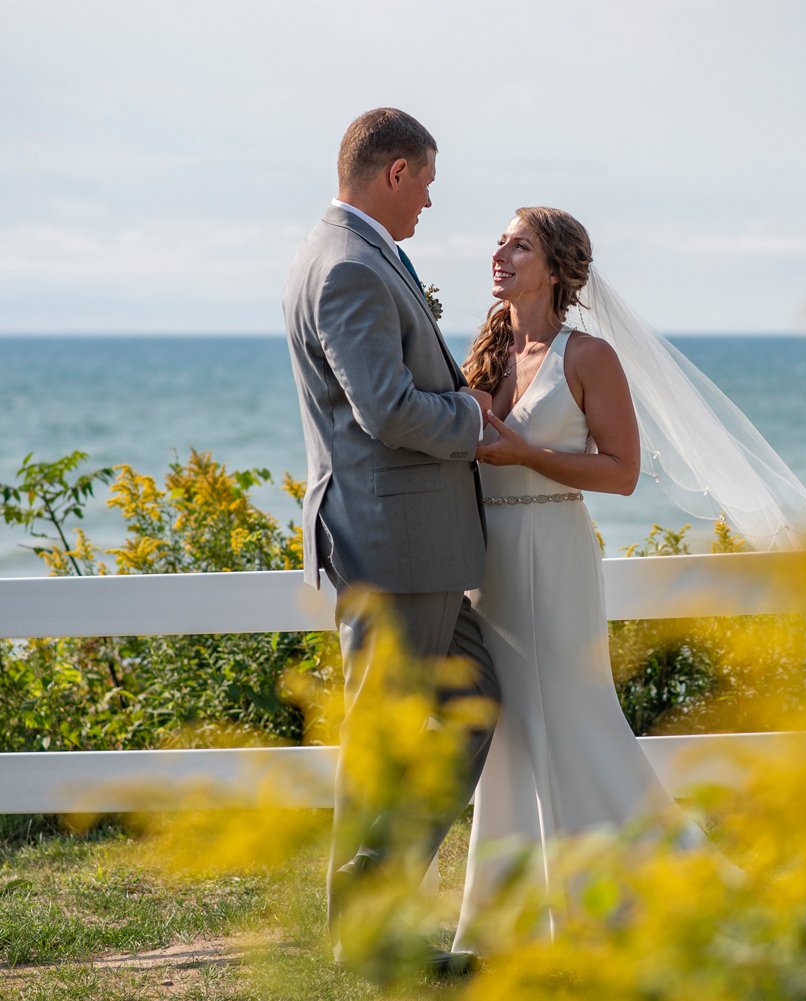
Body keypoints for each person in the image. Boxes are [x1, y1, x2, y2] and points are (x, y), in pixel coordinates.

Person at [451, 206, 806, 952]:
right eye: (499, 241)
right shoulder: (485, 351)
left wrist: (526, 454)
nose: (500, 253)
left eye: (518, 244)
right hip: (488, 561)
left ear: (555, 269)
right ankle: (509, 914)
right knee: (509, 727)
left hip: (552, 550)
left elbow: (620, 473)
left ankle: (634, 896)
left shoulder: (587, 357)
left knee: (573, 714)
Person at [281, 107, 500, 976]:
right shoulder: (347, 269)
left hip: (415, 544)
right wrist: (473, 419)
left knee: (475, 698)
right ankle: (369, 941)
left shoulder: (355, 257)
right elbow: (387, 409)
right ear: (396, 173)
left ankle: (380, 899)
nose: (430, 205)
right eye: (429, 185)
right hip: (392, 542)